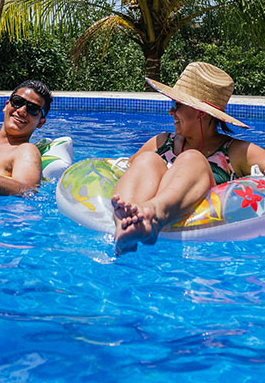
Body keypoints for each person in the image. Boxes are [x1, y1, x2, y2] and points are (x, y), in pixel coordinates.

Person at [112, 62, 265, 254]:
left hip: (204, 245)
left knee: (192, 158)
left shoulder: (236, 152)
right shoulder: (161, 142)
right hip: (160, 231)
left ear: (201, 112)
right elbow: (122, 170)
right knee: (146, 160)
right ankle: (125, 226)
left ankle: (152, 215)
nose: (171, 112)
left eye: (177, 105)